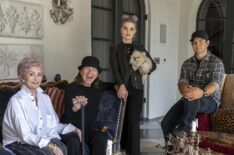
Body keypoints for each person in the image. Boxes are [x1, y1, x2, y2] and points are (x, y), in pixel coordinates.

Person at [2, 57, 81, 155]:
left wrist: (73, 129)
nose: (36, 78)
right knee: (48, 152)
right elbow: (25, 136)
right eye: (31, 74)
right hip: (17, 142)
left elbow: (54, 125)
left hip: (39, 138)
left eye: (39, 74)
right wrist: (50, 145)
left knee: (64, 145)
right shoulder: (16, 101)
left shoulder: (45, 98)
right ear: (22, 77)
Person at [161, 30, 225, 141]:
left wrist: (202, 92)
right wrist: (184, 89)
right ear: (192, 45)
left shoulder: (216, 62)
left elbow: (215, 84)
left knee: (194, 96)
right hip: (189, 98)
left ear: (207, 43)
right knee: (165, 123)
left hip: (210, 99)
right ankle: (171, 149)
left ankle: (186, 126)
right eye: (194, 42)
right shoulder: (187, 63)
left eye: (200, 41)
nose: (197, 44)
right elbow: (182, 81)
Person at [109, 15, 156, 155]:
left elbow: (152, 66)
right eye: (125, 28)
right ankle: (121, 149)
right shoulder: (114, 48)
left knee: (133, 121)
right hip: (122, 88)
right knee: (122, 121)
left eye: (131, 29)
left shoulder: (140, 47)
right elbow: (115, 68)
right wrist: (121, 85)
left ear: (135, 32)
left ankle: (134, 152)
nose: (128, 31)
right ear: (120, 30)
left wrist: (142, 65)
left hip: (137, 89)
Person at [61, 56, 115, 155]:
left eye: (94, 69)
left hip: (87, 130)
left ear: (97, 74)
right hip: (70, 128)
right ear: (81, 71)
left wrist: (120, 86)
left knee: (101, 138)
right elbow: (68, 115)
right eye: (87, 68)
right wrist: (76, 107)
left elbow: (112, 85)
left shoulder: (98, 87)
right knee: (74, 142)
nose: (90, 72)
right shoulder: (71, 88)